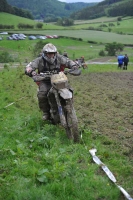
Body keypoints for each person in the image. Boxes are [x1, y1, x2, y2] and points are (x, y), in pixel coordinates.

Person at [25, 43, 78, 120]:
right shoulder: (39, 60)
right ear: (44, 53)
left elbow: (68, 61)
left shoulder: (59, 58)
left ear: (55, 53)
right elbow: (30, 66)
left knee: (70, 89)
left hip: (59, 79)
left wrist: (74, 66)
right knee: (42, 94)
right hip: (45, 80)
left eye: (52, 53)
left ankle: (69, 106)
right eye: (49, 53)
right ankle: (46, 112)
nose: (51, 55)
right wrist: (31, 72)